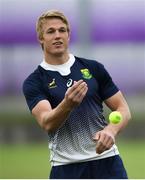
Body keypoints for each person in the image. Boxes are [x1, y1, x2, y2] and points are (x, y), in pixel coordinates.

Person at [23, 9, 131, 179]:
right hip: (66, 168)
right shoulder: (34, 81)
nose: (57, 35)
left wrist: (111, 130)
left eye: (62, 30)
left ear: (68, 35)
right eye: (50, 31)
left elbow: (123, 108)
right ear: (40, 38)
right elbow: (46, 123)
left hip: (107, 162)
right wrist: (67, 104)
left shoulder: (93, 68)